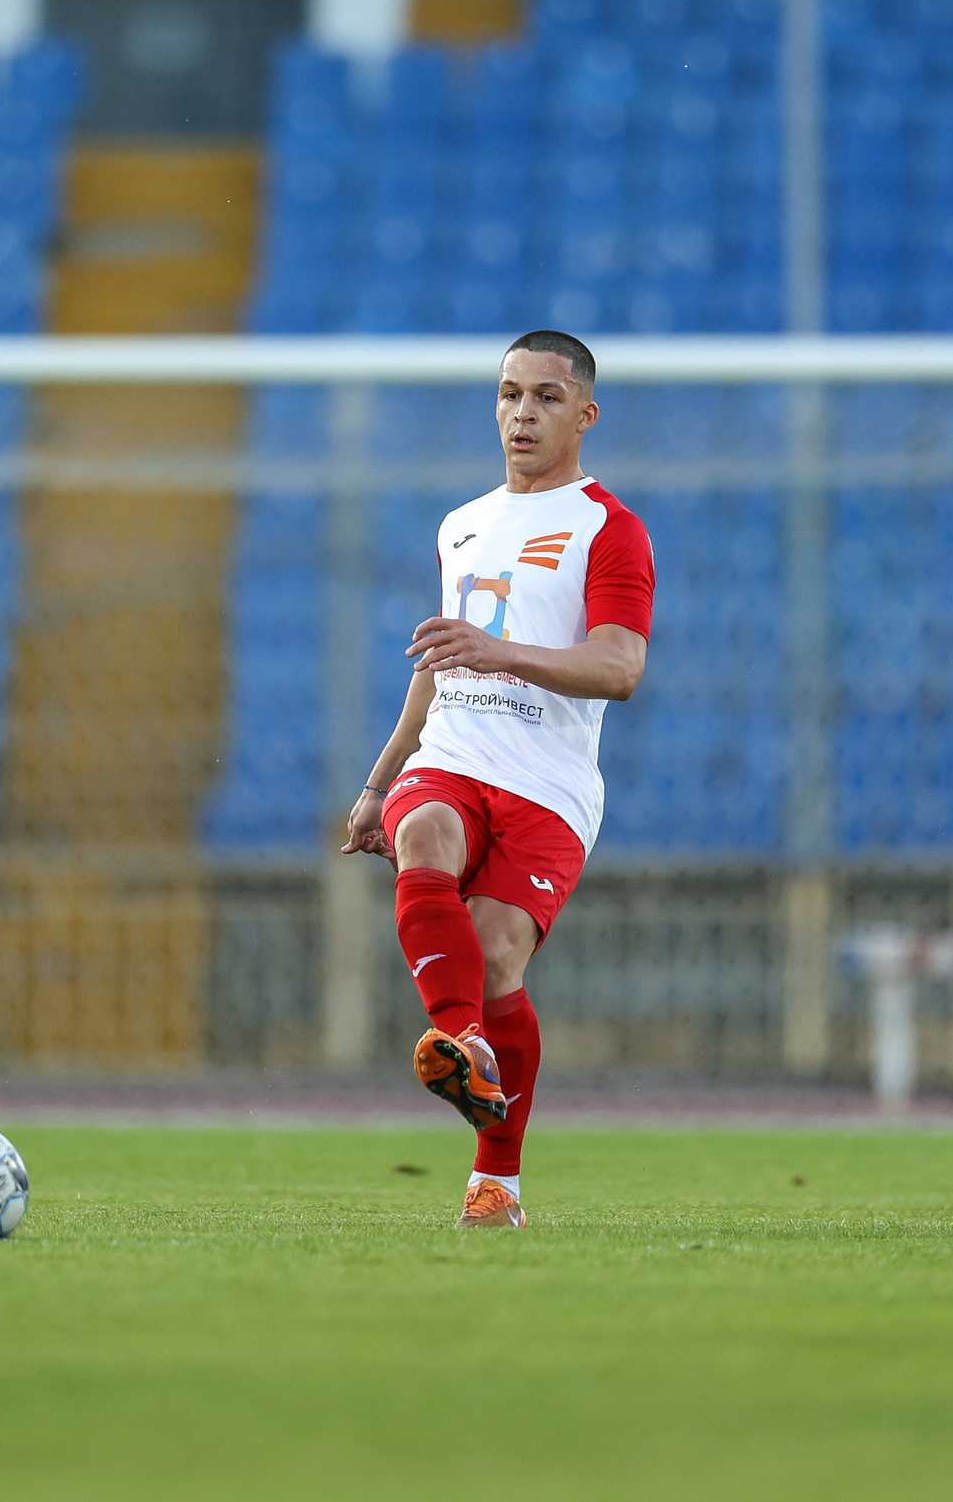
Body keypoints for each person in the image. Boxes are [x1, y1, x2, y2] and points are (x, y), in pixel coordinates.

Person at [340, 330, 652, 1230]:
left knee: (499, 951)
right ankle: (462, 1040)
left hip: (550, 786)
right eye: (511, 394)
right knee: (421, 831)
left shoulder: (609, 527)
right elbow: (438, 665)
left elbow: (620, 665)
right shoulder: (461, 524)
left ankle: (496, 1181)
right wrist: (378, 781)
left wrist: (497, 650)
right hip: (453, 755)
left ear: (584, 415)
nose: (523, 412)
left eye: (546, 397)